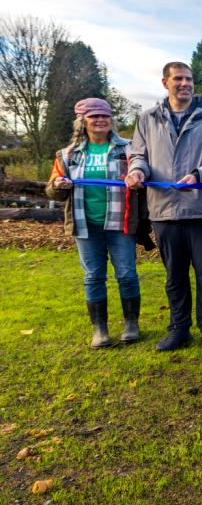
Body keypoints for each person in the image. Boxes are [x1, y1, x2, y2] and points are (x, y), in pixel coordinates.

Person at [125, 62, 202, 351]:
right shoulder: (147, 119)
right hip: (164, 211)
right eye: (178, 79)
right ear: (165, 83)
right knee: (174, 276)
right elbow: (139, 155)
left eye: (189, 79)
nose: (185, 84)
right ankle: (179, 329)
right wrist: (137, 172)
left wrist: (197, 176)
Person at [45, 98, 149, 349]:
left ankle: (131, 323)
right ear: (83, 121)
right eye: (94, 117)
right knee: (93, 276)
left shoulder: (128, 149)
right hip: (85, 224)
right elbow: (52, 189)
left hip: (119, 222)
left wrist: (138, 175)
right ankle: (99, 329)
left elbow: (144, 173)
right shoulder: (67, 154)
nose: (100, 120)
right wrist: (58, 185)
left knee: (126, 274)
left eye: (105, 116)